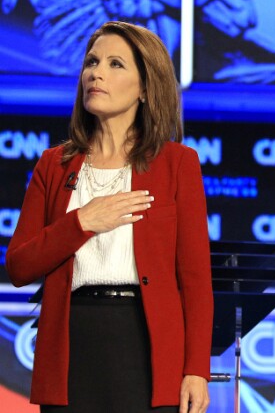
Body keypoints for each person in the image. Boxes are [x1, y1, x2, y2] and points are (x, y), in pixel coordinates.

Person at [7, 21, 213, 413]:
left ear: (146, 88)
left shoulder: (177, 164)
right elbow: (19, 265)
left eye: (115, 64)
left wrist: (196, 370)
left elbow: (196, 279)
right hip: (71, 343)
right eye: (91, 62)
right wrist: (81, 222)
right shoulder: (54, 165)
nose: (95, 73)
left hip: (146, 343)